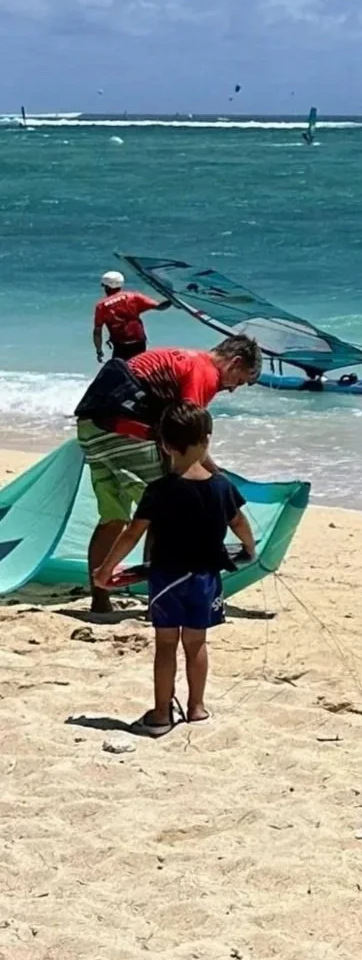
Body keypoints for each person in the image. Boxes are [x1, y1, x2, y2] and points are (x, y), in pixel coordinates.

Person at [73, 334, 263, 615]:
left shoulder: (184, 356)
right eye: (241, 380)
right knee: (163, 513)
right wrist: (213, 472)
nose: (234, 389)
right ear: (235, 363)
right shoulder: (204, 372)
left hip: (92, 428)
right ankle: (159, 600)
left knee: (113, 517)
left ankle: (100, 599)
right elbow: (189, 432)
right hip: (126, 432)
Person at [99, 403, 255, 734]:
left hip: (167, 577)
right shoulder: (222, 485)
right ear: (207, 440)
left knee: (166, 645)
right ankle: (197, 708)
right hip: (206, 578)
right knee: (196, 644)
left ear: (165, 445)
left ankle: (161, 714)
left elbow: (133, 533)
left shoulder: (159, 490)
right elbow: (239, 522)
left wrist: (105, 569)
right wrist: (250, 550)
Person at [92, 270, 165, 361]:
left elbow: (97, 332)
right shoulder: (134, 296)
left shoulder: (101, 306)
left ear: (107, 287)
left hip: (120, 345)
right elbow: (160, 307)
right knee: (138, 369)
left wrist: (99, 351)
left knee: (120, 371)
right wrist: (173, 300)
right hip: (139, 342)